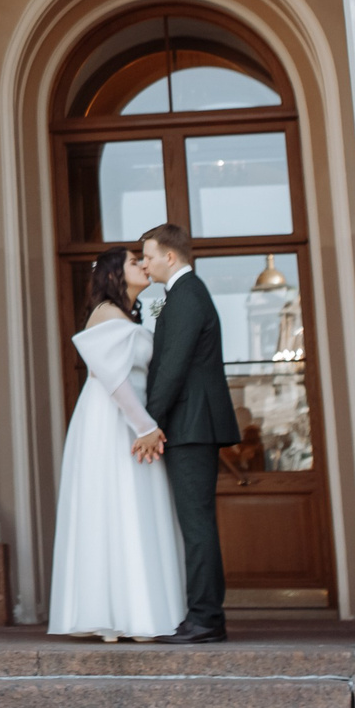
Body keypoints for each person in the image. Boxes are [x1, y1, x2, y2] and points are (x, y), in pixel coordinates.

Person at [45, 246, 187, 642]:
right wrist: (144, 427)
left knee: (133, 509)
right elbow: (112, 378)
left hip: (131, 420)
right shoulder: (106, 312)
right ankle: (117, 616)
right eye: (133, 261)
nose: (143, 265)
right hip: (113, 422)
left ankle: (133, 612)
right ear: (112, 274)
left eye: (144, 259)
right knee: (117, 507)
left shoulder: (127, 314)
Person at [138, 222, 243, 644]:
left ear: (170, 256)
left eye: (147, 255)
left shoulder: (186, 295)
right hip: (191, 424)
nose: (143, 263)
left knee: (196, 526)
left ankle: (205, 619)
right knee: (195, 524)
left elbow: (173, 367)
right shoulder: (181, 295)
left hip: (191, 425)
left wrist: (150, 423)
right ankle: (203, 617)